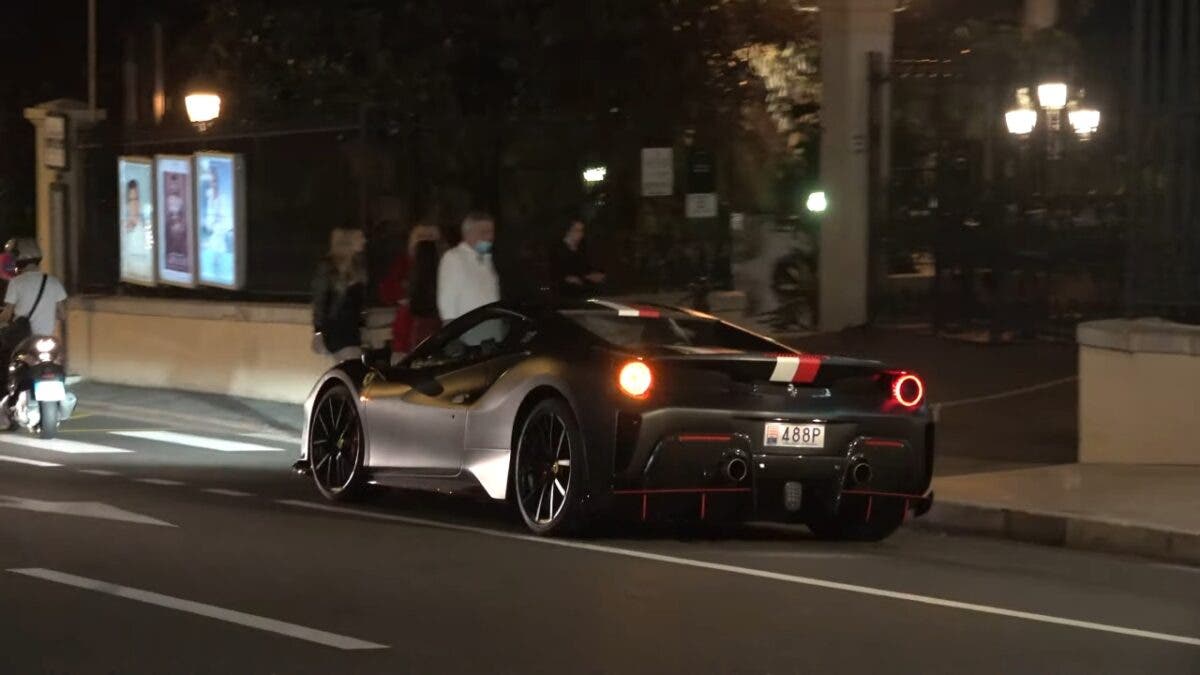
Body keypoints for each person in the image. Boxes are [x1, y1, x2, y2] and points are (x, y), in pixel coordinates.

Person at [379, 223, 443, 354]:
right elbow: (387, 291)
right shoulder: (403, 263)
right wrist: (404, 295)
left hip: (435, 323)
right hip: (407, 327)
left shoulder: (444, 263)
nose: (424, 241)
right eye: (420, 236)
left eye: (429, 236)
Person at [312, 228, 367, 362]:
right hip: (338, 328)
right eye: (359, 238)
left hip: (352, 329)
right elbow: (320, 300)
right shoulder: (329, 267)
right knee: (349, 366)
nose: (364, 241)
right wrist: (319, 330)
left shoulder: (358, 266)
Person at [437, 211, 499, 321]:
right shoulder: (454, 257)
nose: (490, 237)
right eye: (484, 232)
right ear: (468, 234)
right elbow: (447, 302)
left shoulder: (486, 259)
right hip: (468, 330)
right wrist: (453, 332)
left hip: (491, 325)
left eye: (491, 232)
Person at [550, 219, 605, 298]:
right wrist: (567, 278)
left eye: (581, 231)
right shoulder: (558, 249)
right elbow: (554, 273)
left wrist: (593, 275)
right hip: (564, 291)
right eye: (577, 230)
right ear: (568, 231)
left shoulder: (582, 248)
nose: (580, 234)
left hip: (583, 286)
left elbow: (585, 268)